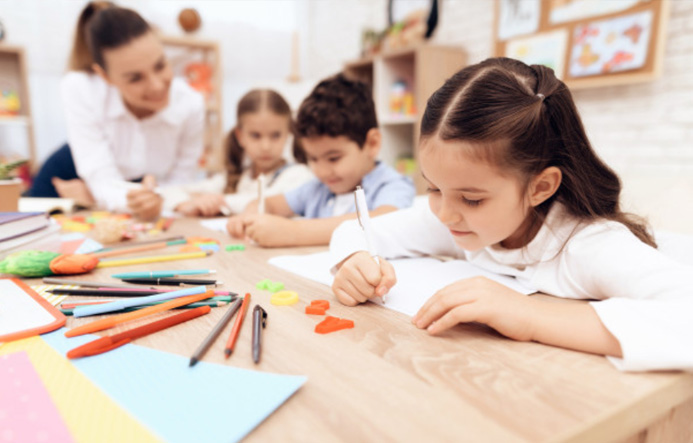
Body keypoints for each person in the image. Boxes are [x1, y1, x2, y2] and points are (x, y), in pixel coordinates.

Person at [329, 57, 693, 372]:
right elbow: (357, 229)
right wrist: (356, 259)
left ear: (540, 187)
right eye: (434, 188)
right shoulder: (455, 219)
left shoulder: (587, 245)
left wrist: (529, 316)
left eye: (472, 199)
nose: (445, 214)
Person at [26, 2, 204, 220]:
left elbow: (181, 182)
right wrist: (105, 195)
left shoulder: (191, 105)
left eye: (160, 65)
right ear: (106, 77)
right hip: (67, 180)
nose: (157, 85)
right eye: (135, 78)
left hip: (123, 191)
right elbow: (100, 177)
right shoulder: (81, 87)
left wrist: (154, 198)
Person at [226, 73, 416, 247]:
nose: (322, 171)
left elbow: (382, 221)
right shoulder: (317, 188)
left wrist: (294, 232)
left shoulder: (392, 185)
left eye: (333, 158)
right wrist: (250, 215)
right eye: (313, 159)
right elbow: (270, 204)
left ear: (372, 144)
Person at [172, 89, 313, 217]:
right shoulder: (237, 177)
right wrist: (186, 203)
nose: (266, 146)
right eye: (255, 135)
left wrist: (215, 201)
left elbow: (268, 202)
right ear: (240, 136)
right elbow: (170, 192)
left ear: (288, 133)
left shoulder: (299, 174)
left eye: (275, 135)